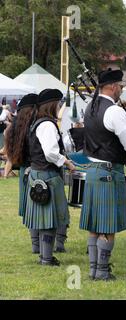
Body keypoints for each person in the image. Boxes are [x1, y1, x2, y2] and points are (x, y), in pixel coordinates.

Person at [79, 69, 126, 281]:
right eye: (121, 85)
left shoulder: (90, 108)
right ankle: (102, 271)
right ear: (112, 86)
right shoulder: (114, 111)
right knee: (106, 225)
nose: (122, 89)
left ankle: (94, 269)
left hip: (93, 171)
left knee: (94, 225)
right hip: (109, 173)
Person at [23, 89, 76, 266]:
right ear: (52, 104)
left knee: (46, 220)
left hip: (39, 174)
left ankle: (45, 256)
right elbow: (50, 153)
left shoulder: (38, 122)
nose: (60, 106)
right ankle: (46, 258)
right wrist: (66, 162)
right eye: (59, 103)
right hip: (47, 176)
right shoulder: (47, 125)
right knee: (49, 221)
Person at [3, 94, 40, 254]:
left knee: (31, 210)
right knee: (40, 209)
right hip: (37, 169)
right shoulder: (34, 126)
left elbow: (10, 154)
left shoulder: (14, 127)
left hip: (25, 171)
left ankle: (35, 245)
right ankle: (43, 245)